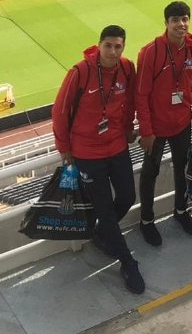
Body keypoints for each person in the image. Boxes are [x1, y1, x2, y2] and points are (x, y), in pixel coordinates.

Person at [52, 25, 144, 294]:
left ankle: (103, 234)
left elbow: (129, 102)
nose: (113, 51)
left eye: (118, 46)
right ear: (99, 45)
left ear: (123, 47)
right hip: (86, 151)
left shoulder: (127, 68)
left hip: (116, 145)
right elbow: (60, 111)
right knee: (104, 208)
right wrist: (64, 147)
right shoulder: (80, 72)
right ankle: (128, 261)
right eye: (108, 46)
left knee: (127, 196)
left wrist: (128, 129)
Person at [135, 1, 192, 246]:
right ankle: (146, 220)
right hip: (155, 128)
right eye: (176, 20)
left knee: (182, 168)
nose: (181, 24)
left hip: (182, 124)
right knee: (150, 172)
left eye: (185, 18)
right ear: (166, 23)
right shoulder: (150, 52)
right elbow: (141, 94)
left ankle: (180, 211)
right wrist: (146, 130)